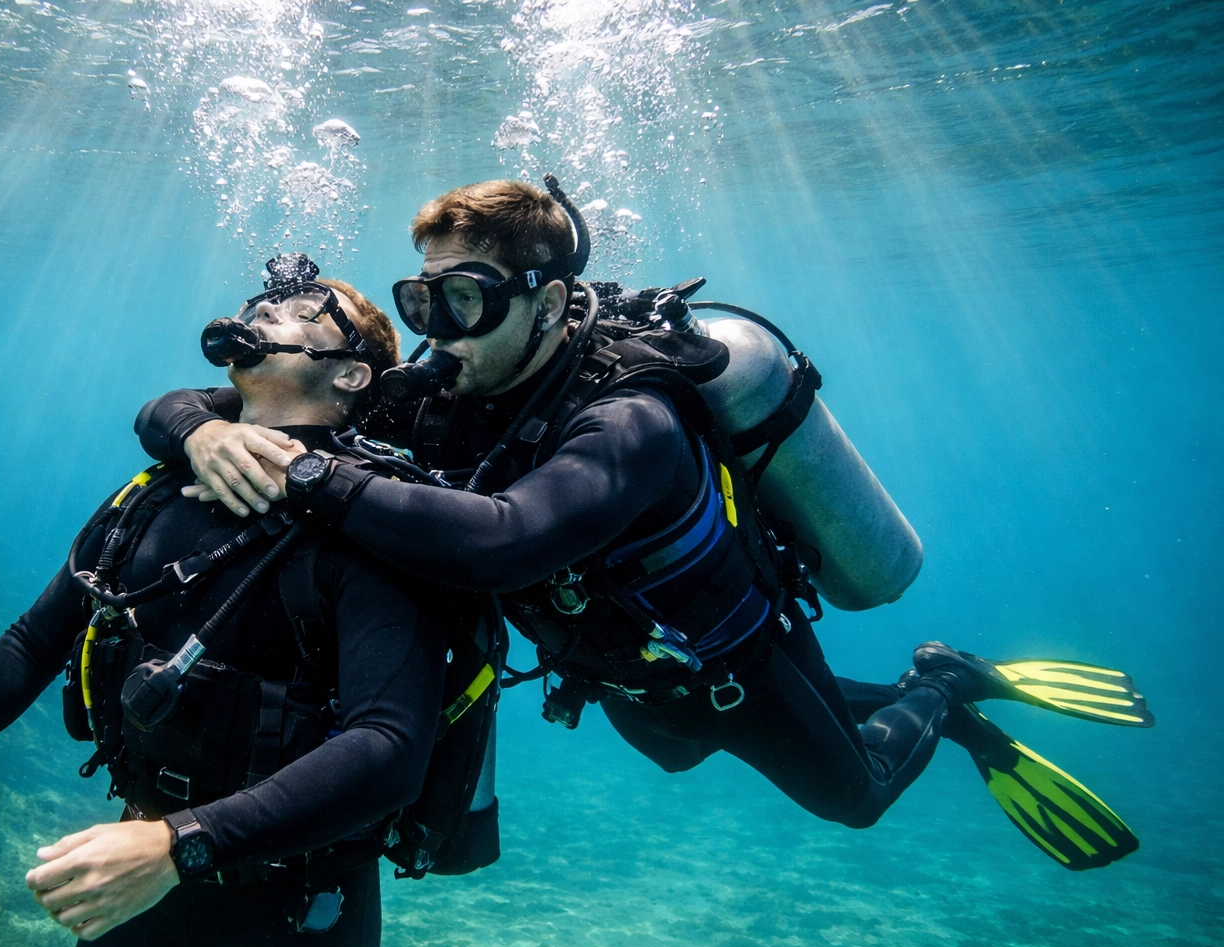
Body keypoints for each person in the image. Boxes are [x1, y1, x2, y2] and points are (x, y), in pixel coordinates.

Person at [133, 178, 1152, 871]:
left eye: (469, 300)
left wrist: (307, 476)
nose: (441, 336)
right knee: (675, 748)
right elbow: (234, 398)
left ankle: (942, 687)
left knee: (855, 794)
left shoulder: (630, 419)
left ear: (547, 296)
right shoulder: (449, 386)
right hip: (619, 673)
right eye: (424, 299)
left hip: (735, 658)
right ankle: (892, 689)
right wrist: (194, 436)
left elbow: (508, 540)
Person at [0, 257, 453, 947]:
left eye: (307, 306)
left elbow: (390, 748)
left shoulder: (374, 522)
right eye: (266, 297)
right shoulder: (151, 492)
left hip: (305, 903)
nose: (271, 307)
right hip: (140, 865)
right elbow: (37, 637)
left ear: (351, 376)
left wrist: (180, 846)